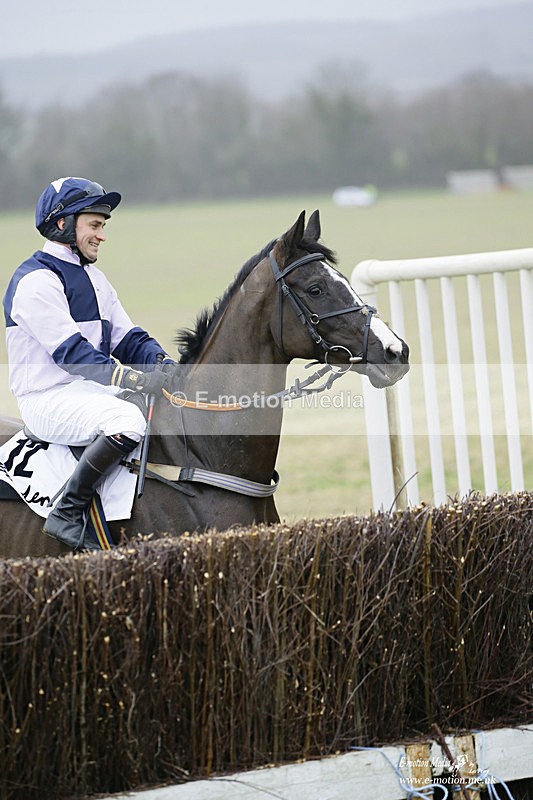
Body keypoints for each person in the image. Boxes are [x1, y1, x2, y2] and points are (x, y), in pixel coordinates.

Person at [3, 176, 174, 551]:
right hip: (46, 399)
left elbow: (128, 338)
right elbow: (73, 354)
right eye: (94, 224)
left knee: (157, 409)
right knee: (126, 421)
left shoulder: (95, 279)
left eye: (102, 226)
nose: (101, 235)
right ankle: (67, 512)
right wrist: (130, 378)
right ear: (62, 224)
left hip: (88, 390)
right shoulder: (35, 281)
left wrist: (162, 363)